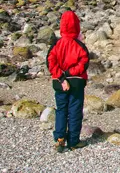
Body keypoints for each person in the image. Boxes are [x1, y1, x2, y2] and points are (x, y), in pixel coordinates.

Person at [46, 10, 89, 153]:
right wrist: (69, 74)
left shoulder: (56, 44)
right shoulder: (80, 45)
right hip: (76, 83)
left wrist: (62, 77)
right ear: (77, 26)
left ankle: (59, 139)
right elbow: (83, 64)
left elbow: (51, 63)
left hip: (60, 83)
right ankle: (73, 141)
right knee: (75, 111)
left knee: (61, 110)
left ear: (62, 26)